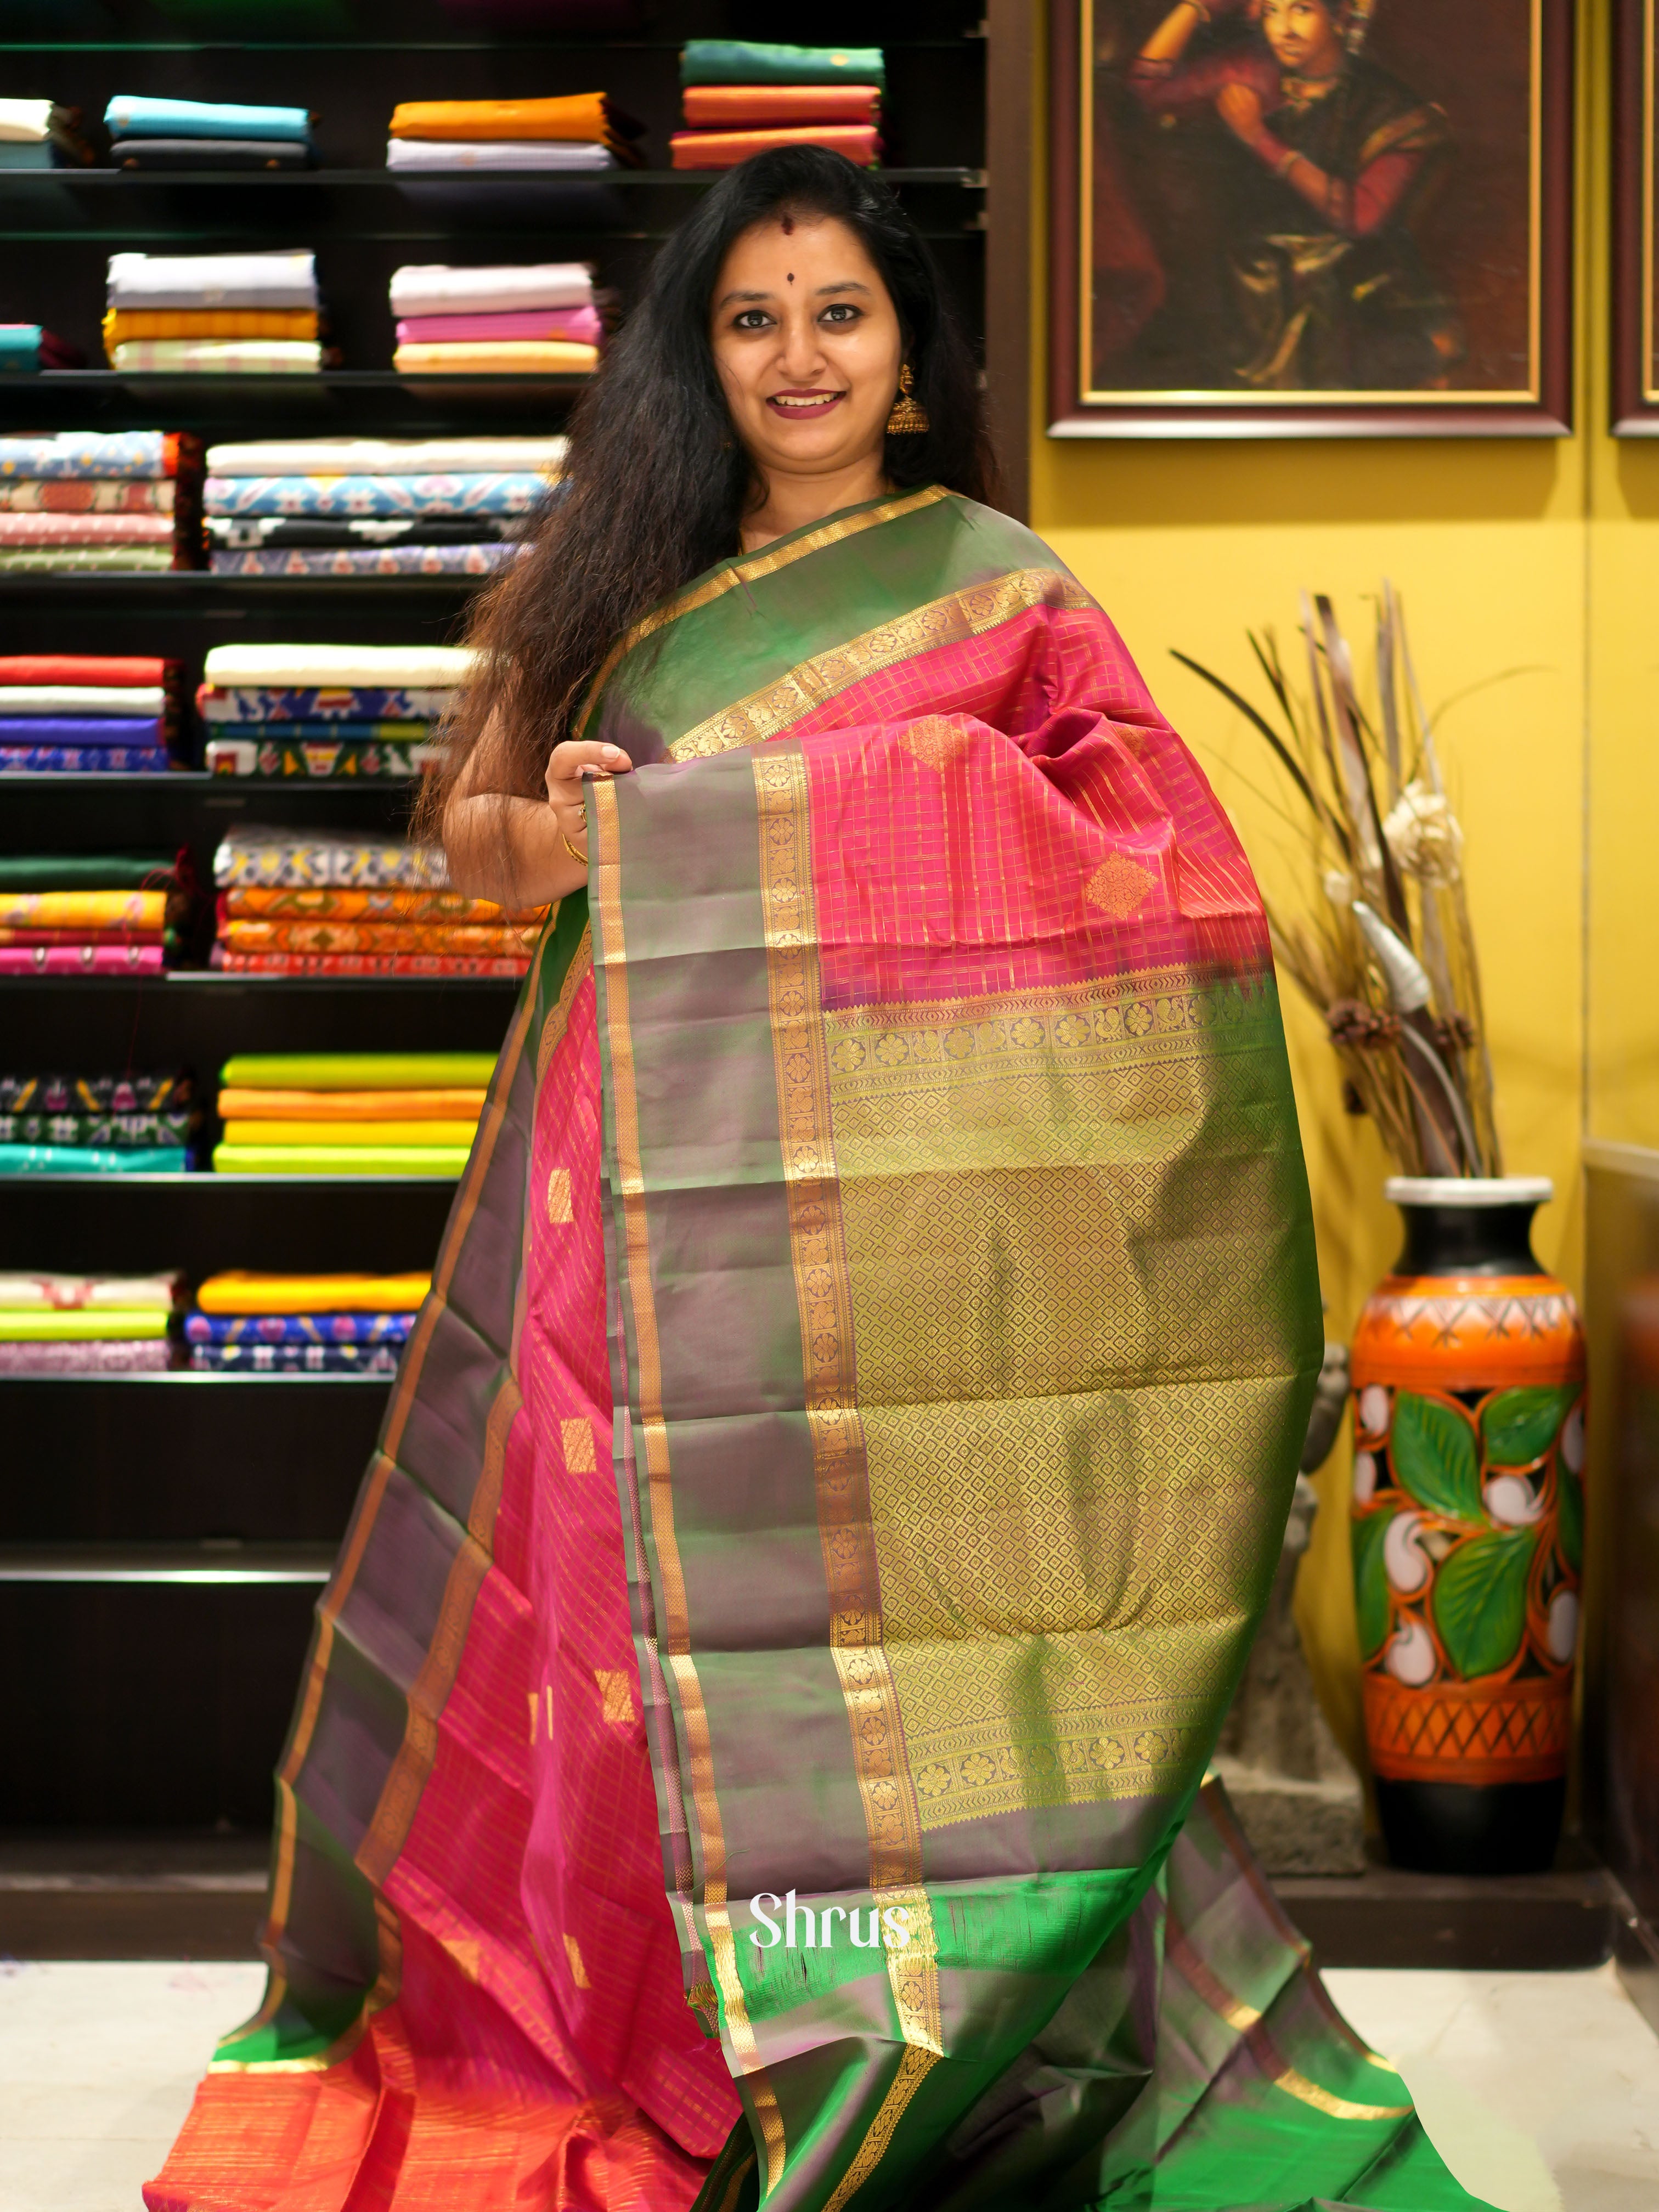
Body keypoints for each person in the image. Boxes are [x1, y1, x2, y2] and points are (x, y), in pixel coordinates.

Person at [148, 149, 1497, 2212]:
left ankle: (914, 2009)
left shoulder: (999, 587)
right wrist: (582, 833)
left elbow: (1165, 880)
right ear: (700, 355)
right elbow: (485, 844)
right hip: (640, 1187)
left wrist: (835, 812)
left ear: (903, 352)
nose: (796, 354)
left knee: (902, 1637)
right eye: (751, 317)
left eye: (837, 313)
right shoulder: (606, 570)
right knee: (630, 1636)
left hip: (903, 1221)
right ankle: (647, 2025)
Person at [1120, 0, 1460, 389]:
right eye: (1271, 12)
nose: (1284, 29)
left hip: (1353, 288)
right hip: (1250, 285)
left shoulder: (1390, 107)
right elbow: (1145, 88)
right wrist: (1196, 8)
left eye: (1301, 10)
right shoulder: (1252, 72)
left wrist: (1259, 139)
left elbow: (1359, 217)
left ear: (1341, 15)